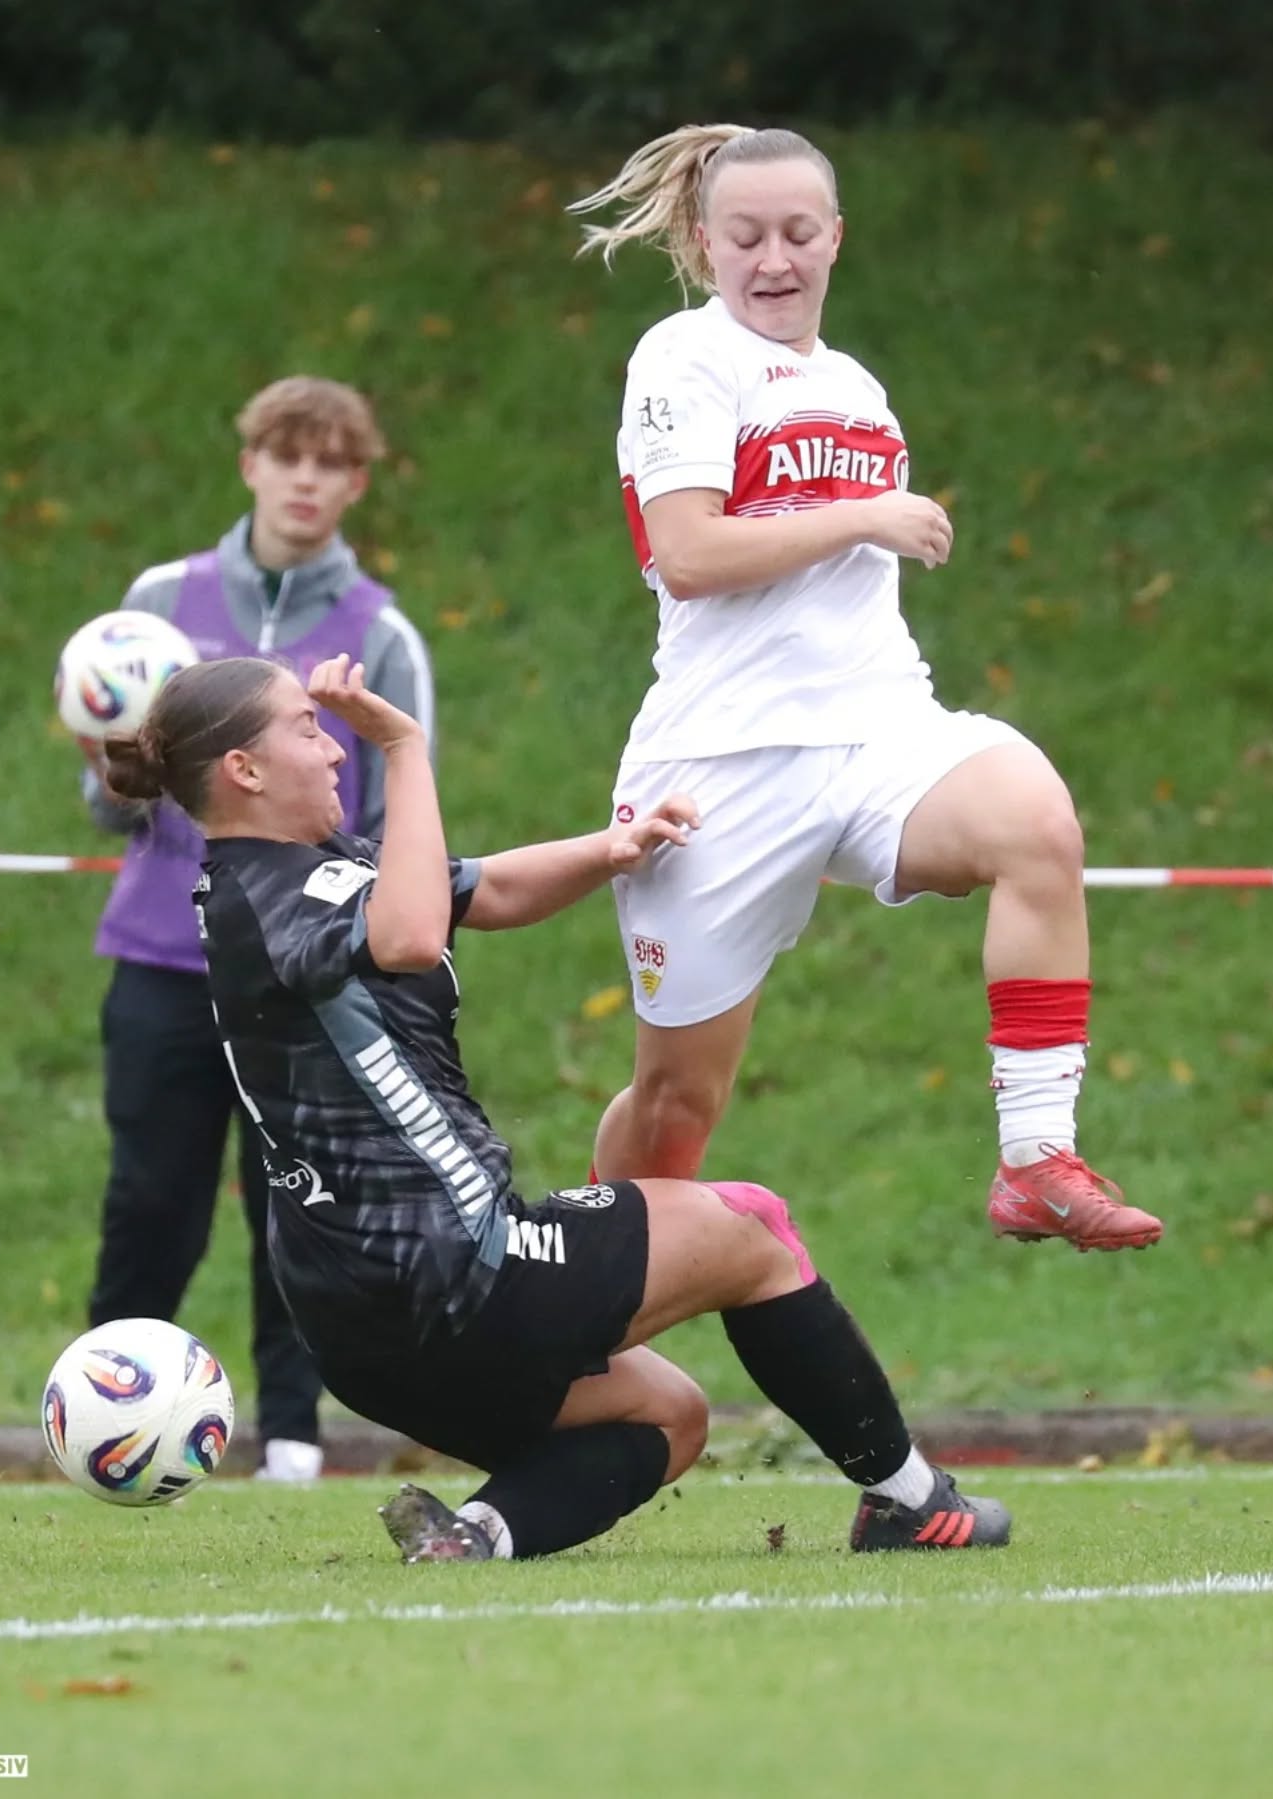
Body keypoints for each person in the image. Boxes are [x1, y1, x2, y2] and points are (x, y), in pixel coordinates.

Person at [101, 650, 1012, 1561]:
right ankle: (911, 1501)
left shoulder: (303, 869)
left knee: (669, 1415)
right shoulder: (266, 894)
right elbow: (414, 935)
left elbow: (482, 889)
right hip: (453, 1270)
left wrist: (611, 849)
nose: (335, 749)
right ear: (244, 771)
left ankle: (474, 1538)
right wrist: (406, 746)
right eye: (306, 727)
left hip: (360, 1327)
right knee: (755, 1230)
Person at [567, 125, 1162, 1253]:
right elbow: (688, 554)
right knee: (676, 1112)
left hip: (880, 728)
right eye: (746, 237)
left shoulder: (855, 387)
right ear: (704, 242)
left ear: (837, 238)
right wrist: (863, 515)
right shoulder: (682, 360)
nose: (774, 259)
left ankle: (1036, 1155)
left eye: (798, 233)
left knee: (1036, 819)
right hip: (722, 763)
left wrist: (859, 523)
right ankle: (587, 1303)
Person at [78, 376, 435, 1482]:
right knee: (151, 1199)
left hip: (296, 974)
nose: (306, 480)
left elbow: (382, 820)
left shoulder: (380, 632)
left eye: (331, 463)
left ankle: (291, 1432)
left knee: (298, 1198)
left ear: (356, 482)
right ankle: (94, 1412)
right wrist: (103, 757)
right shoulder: (158, 600)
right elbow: (112, 799)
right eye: (288, 456)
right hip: (161, 960)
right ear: (252, 465)